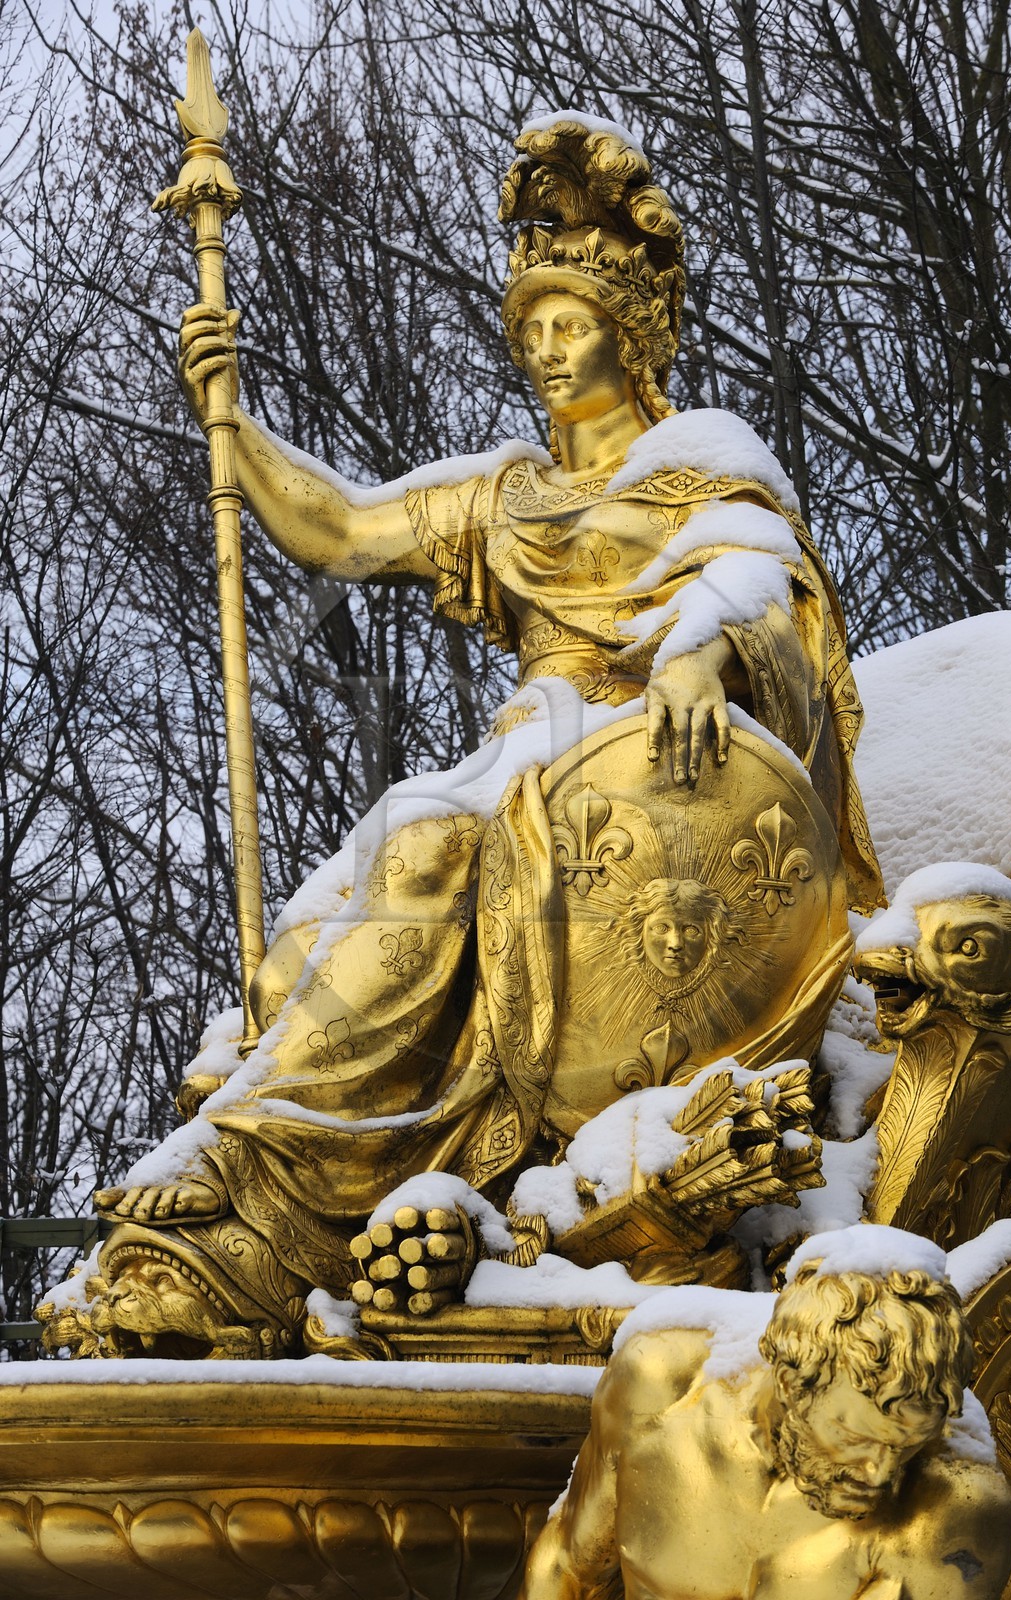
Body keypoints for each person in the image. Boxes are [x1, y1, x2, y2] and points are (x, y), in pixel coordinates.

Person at [81, 116, 883, 1353]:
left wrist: (700, 651)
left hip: (634, 769)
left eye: (573, 326)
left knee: (424, 847)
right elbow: (343, 531)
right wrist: (230, 412)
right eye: (532, 332)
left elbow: (770, 588)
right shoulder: (508, 495)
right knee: (323, 922)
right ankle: (273, 1207)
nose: (550, 352)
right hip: (527, 749)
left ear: (630, 334)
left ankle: (247, 1150)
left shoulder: (700, 469)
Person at [520, 1239, 1011, 1599]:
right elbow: (568, 1565)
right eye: (852, 1436)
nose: (880, 1474)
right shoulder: (657, 1391)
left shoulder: (955, 1515)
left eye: (906, 1446)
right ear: (789, 1384)